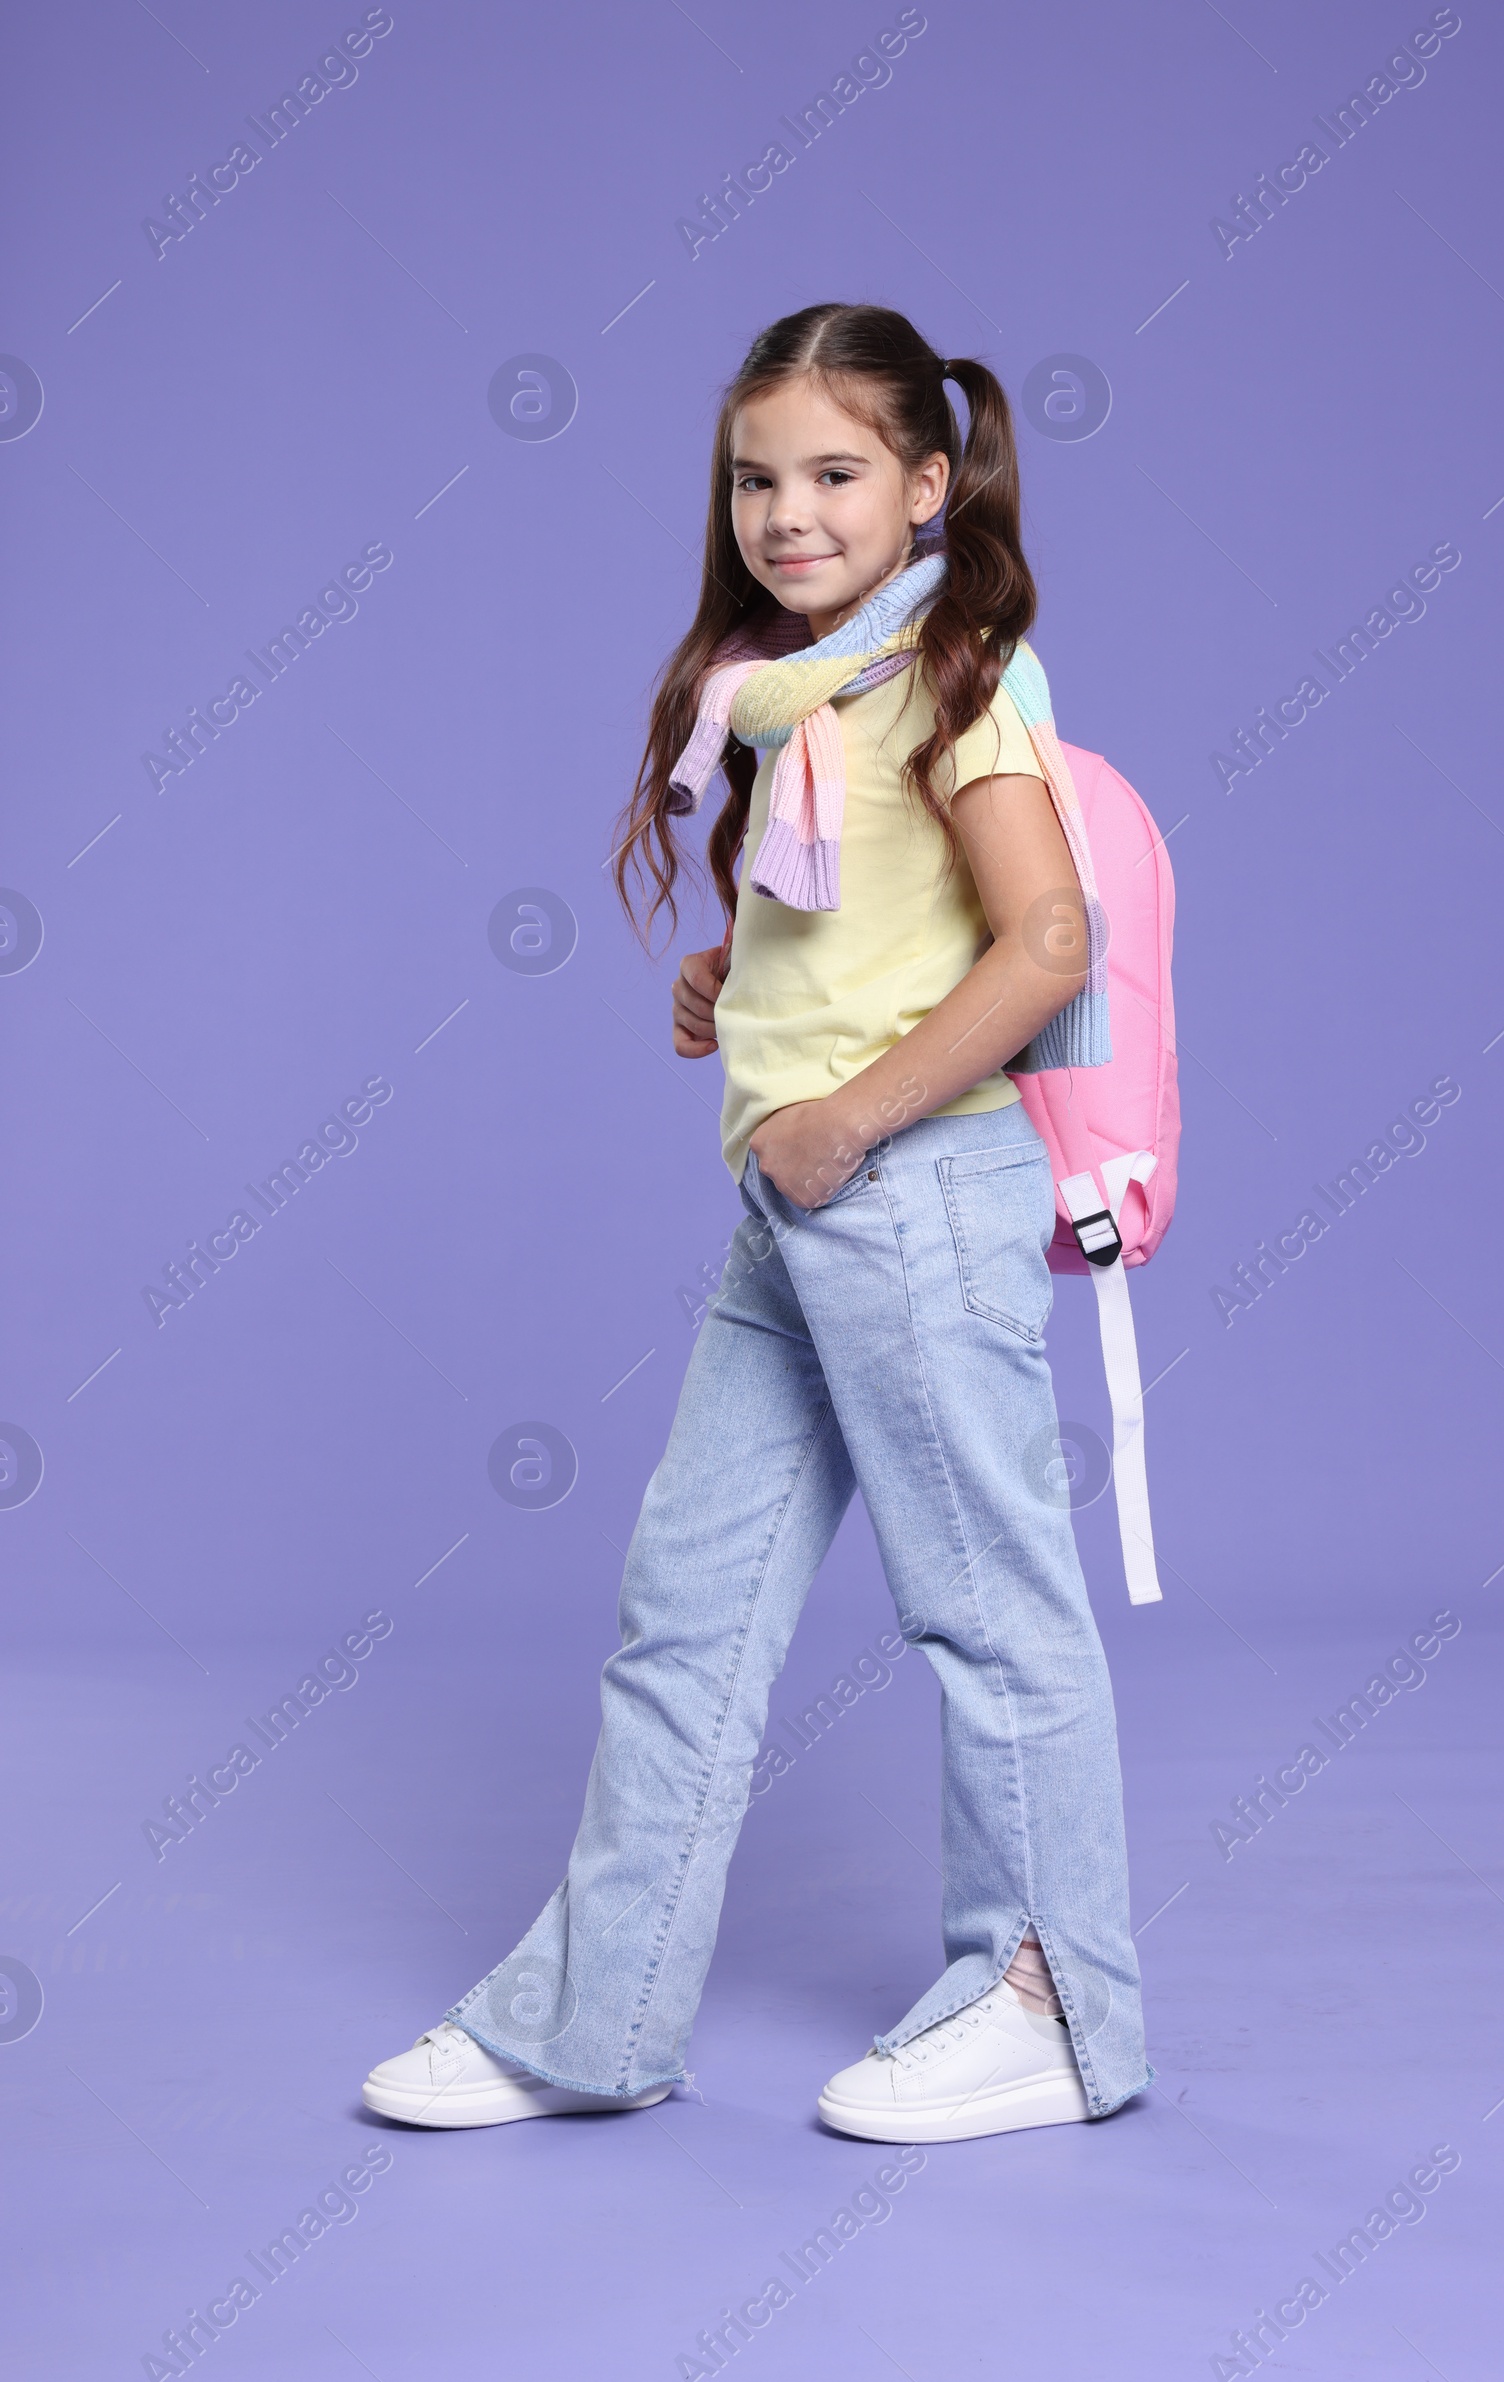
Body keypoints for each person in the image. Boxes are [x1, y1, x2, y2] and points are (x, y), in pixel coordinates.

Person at [363, 302, 1151, 2142]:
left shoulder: (961, 672)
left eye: (835, 474)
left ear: (928, 484)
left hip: (917, 1192)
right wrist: (746, 982)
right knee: (687, 1620)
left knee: (989, 1614)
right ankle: (594, 2021)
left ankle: (1049, 2000)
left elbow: (1049, 941)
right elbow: (896, 918)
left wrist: (847, 1112)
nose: (786, 514)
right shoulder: (804, 693)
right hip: (802, 1214)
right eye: (755, 479)